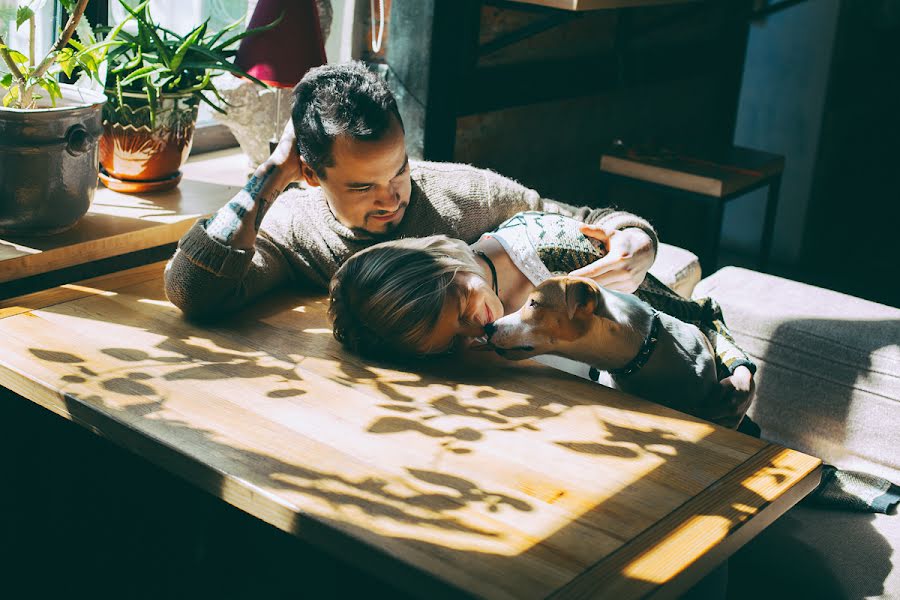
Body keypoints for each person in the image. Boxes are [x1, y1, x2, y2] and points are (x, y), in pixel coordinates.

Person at [164, 61, 657, 319]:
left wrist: (635, 237)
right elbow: (194, 294)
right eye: (362, 186)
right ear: (311, 174)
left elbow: (569, 215)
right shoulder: (294, 227)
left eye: (398, 170)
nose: (391, 197)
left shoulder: (466, 193)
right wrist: (272, 172)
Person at [329, 211, 755, 428]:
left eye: (462, 310)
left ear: (443, 259)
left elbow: (695, 318)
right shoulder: (452, 339)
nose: (477, 333)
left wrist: (739, 371)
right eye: (450, 340)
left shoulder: (562, 259)